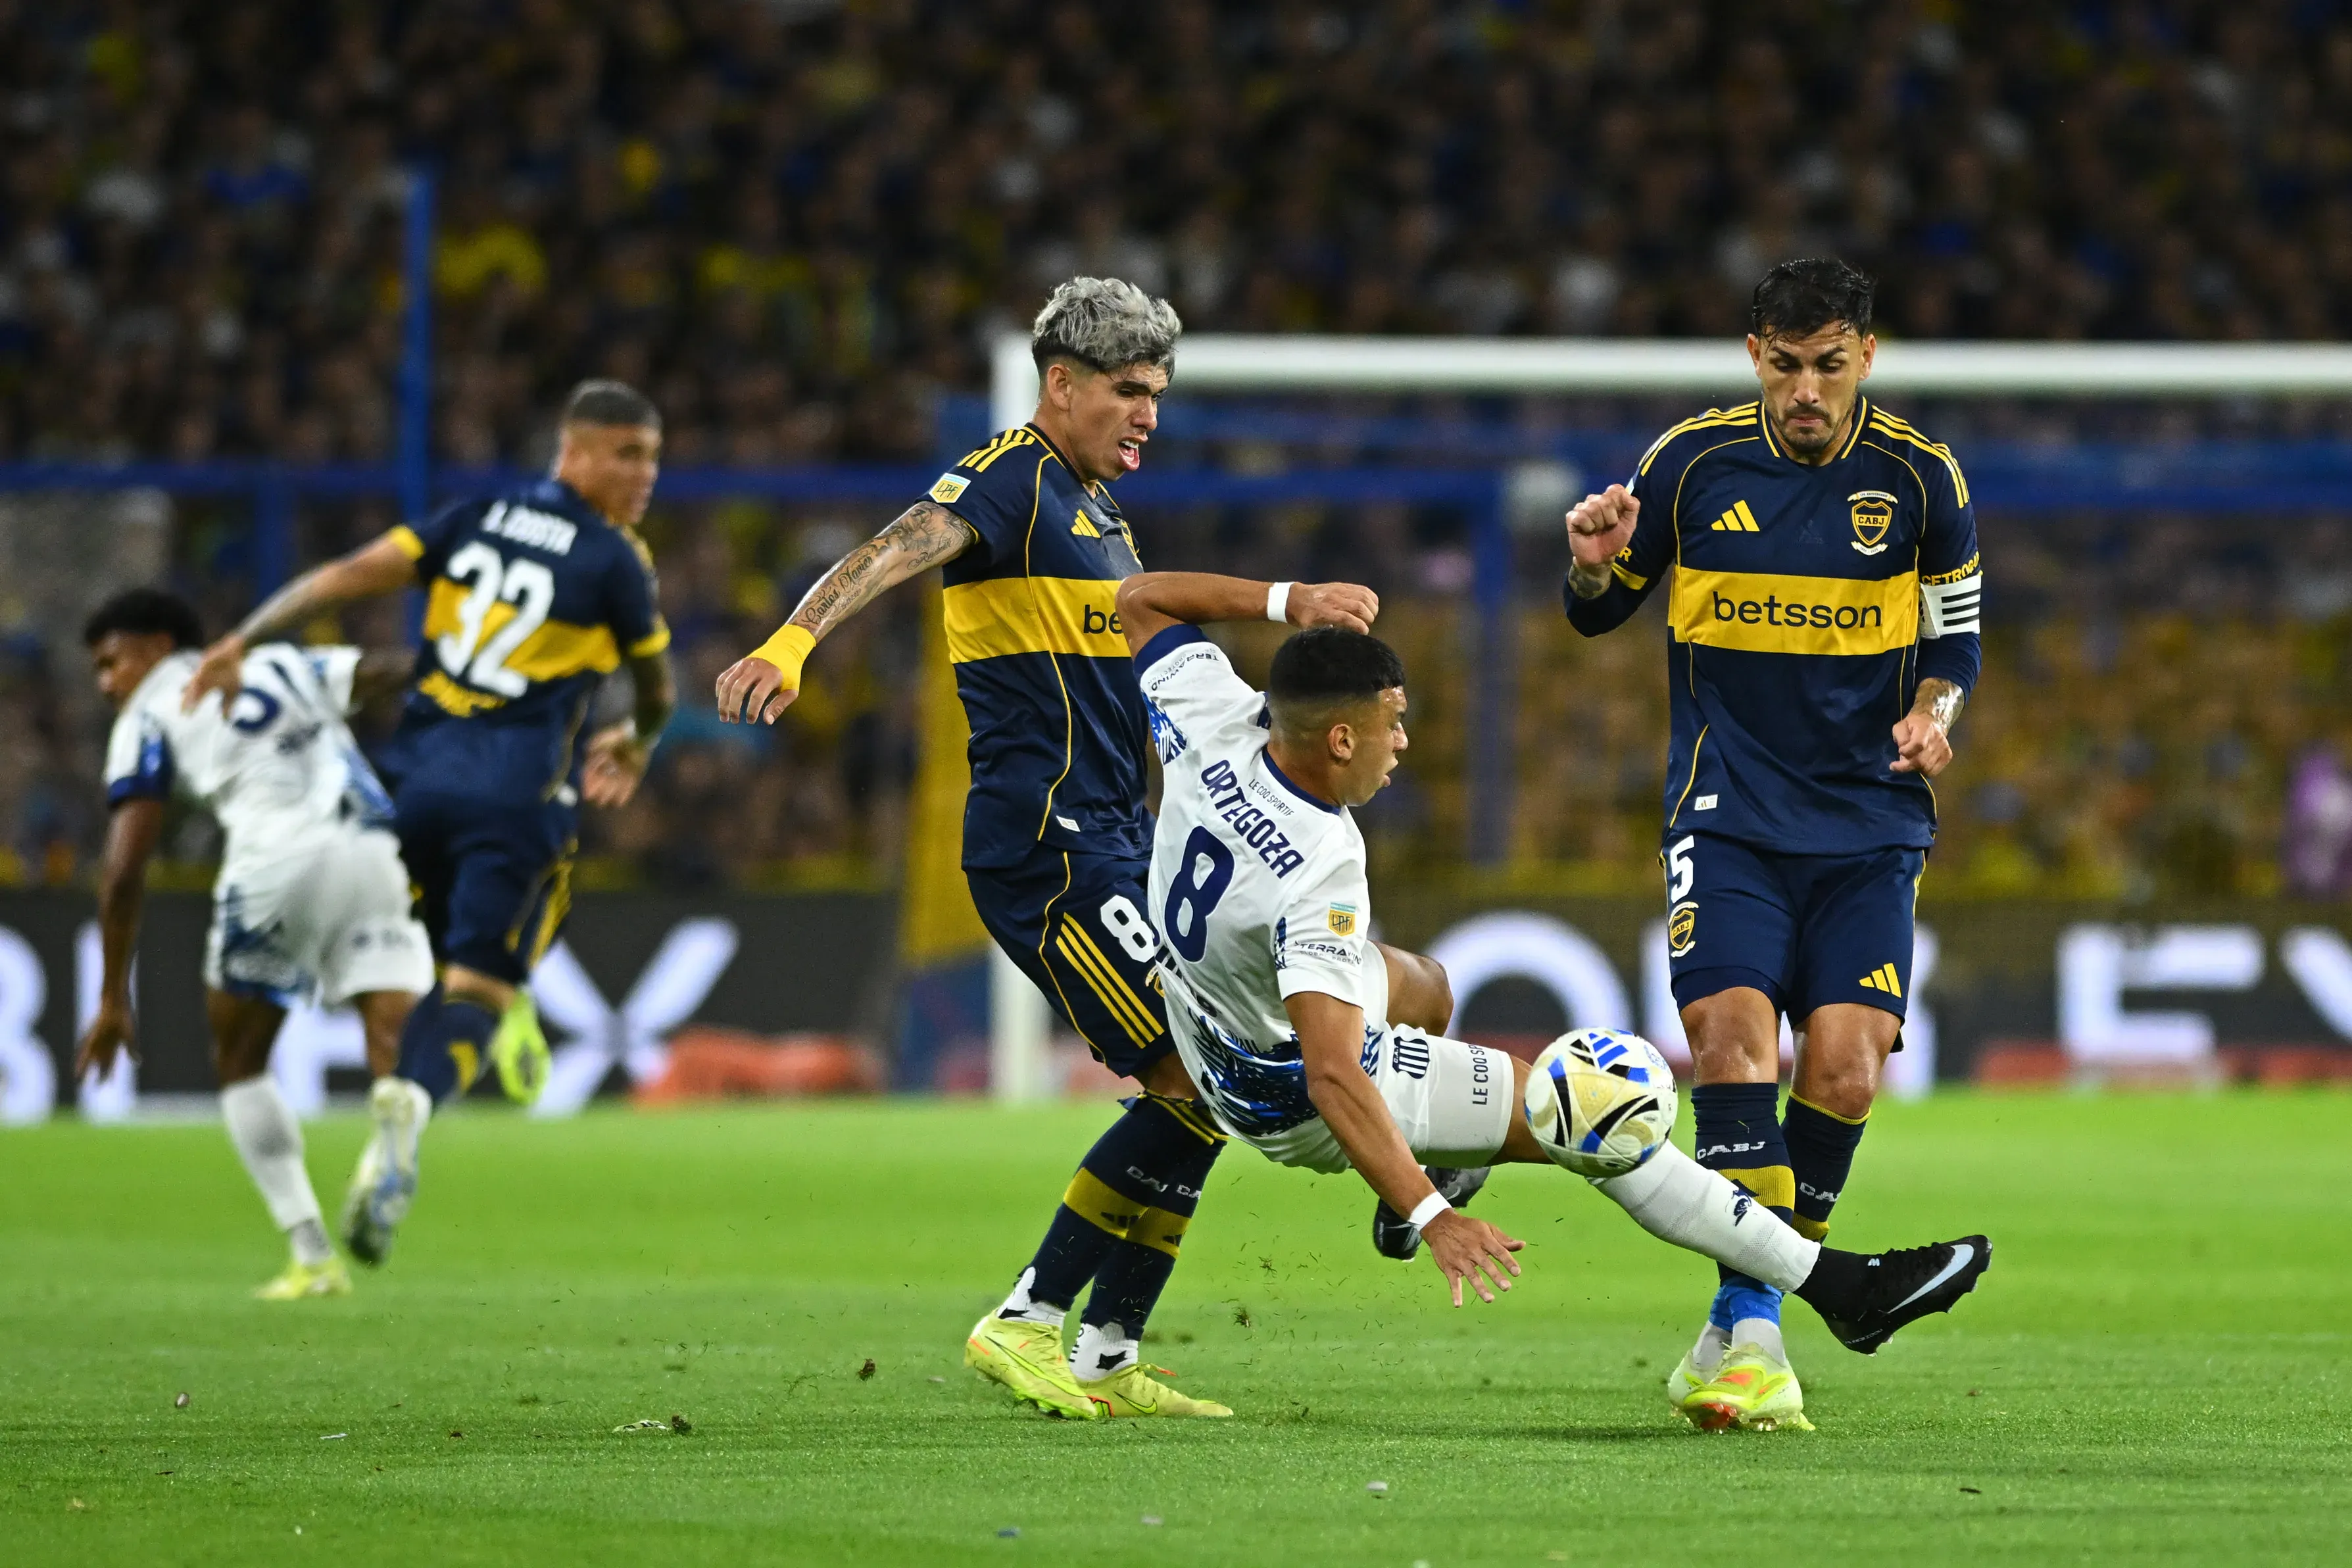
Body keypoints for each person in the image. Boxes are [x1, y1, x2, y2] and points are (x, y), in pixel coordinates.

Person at [715, 277, 1431, 1420]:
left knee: (1206, 1084)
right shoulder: (1013, 476)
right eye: (1130, 390)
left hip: (1118, 836)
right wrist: (793, 642)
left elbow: (1149, 614)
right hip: (1046, 842)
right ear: (1062, 383)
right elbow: (896, 546)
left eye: (1159, 395)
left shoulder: (1100, 516)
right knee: (1193, 1076)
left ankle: (1106, 1348)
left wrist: (1280, 616)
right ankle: (1027, 1316)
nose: (1148, 415)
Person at [1121, 594, 1990, 1413]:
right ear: (1342, 739)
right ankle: (1842, 1288)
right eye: (1394, 722)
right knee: (1591, 1113)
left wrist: (1287, 600)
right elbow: (1333, 1074)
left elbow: (1142, 599)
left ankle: (1428, 1160)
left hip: (1201, 1018)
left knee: (1427, 986)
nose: (1405, 741)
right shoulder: (1321, 864)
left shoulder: (1220, 717)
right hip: (1277, 1088)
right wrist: (1433, 1214)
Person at [1561, 258, 1985, 1430]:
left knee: (1844, 1068)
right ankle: (1755, 1336)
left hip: (1870, 818)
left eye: (1829, 365)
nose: (1806, 390)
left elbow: (1956, 639)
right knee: (1731, 1041)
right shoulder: (1690, 463)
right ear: (1755, 356)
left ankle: (1732, 1323)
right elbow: (1602, 609)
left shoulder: (1921, 478)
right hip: (1729, 812)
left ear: (1866, 356)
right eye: (1785, 365)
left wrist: (1935, 716)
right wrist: (1589, 568)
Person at [183, 380, 677, 1264]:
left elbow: (344, 575)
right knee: (480, 984)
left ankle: (422, 1060)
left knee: (407, 957)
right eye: (627, 454)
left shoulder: (472, 519)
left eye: (653, 458)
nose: (646, 475)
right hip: (515, 797)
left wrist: (242, 641)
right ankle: (415, 1098)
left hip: (407, 787)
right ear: (573, 451)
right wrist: (637, 743)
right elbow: (658, 688)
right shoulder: (615, 560)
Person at [76, 589, 432, 1298]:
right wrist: (476, 667)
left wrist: (113, 995)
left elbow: (124, 870)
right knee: (394, 1035)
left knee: (240, 1059)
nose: (107, 684)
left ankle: (312, 1254)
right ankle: (396, 1130)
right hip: (374, 846)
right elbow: (386, 671)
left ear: (157, 647)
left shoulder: (150, 708)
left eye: (113, 663)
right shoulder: (281, 662)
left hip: (275, 862)